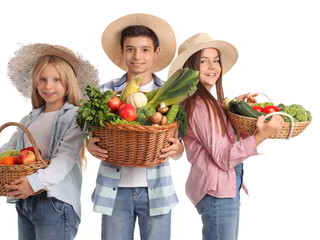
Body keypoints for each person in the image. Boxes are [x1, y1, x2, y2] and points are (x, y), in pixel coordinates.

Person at [0, 43, 99, 240]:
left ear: (68, 83)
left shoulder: (75, 116)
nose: (48, 86)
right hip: (25, 201)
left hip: (54, 203)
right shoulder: (30, 119)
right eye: (43, 79)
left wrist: (35, 182)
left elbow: (65, 158)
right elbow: (8, 151)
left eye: (56, 80)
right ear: (36, 83)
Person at [168, 33, 284, 240]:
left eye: (216, 60)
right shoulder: (201, 107)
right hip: (216, 191)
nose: (212, 66)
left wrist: (236, 110)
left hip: (223, 187)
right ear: (190, 68)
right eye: (203, 61)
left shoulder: (209, 102)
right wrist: (260, 136)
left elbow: (224, 136)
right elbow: (224, 157)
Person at [87, 13, 183, 240]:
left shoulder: (169, 94)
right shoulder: (106, 92)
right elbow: (88, 133)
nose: (137, 56)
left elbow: (180, 146)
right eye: (130, 49)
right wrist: (89, 145)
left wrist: (178, 149)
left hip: (157, 190)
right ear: (122, 51)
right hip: (114, 190)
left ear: (156, 52)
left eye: (145, 49)